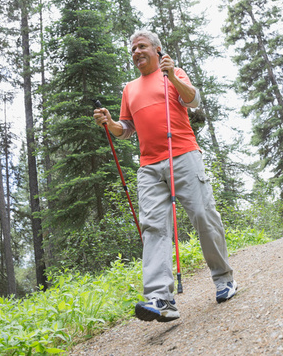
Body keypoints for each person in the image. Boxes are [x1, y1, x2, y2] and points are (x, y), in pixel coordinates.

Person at [94, 30, 236, 323]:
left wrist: (171, 77)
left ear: (157, 50)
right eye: (133, 49)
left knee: (203, 215)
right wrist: (110, 124)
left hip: (183, 155)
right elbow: (126, 129)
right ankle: (161, 299)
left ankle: (224, 279)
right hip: (149, 167)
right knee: (153, 228)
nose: (136, 52)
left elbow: (193, 100)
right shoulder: (129, 89)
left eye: (142, 46)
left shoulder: (173, 72)